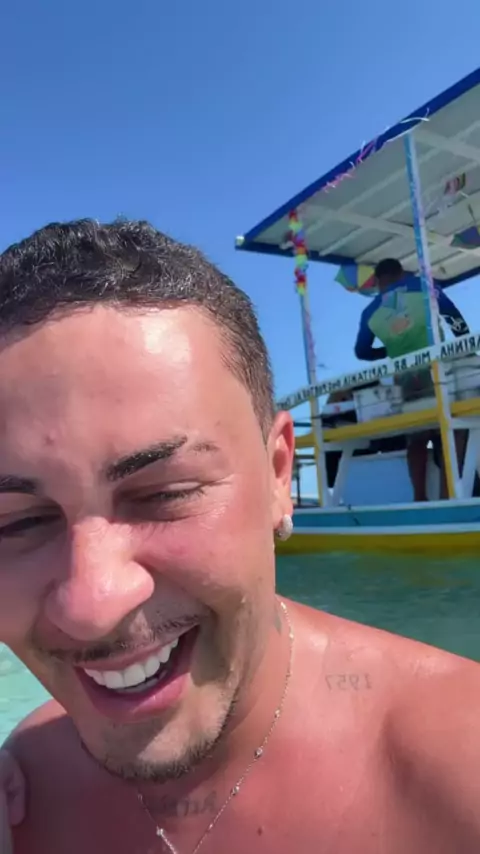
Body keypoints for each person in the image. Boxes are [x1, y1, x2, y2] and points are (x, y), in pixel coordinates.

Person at [2, 222, 480, 853]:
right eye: (19, 522)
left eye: (165, 493)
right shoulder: (22, 789)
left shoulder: (459, 769)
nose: (92, 606)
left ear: (279, 474)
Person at [354, 258, 470, 501]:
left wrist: (387, 351)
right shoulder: (425, 286)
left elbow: (361, 351)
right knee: (453, 431)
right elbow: (454, 319)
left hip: (405, 378)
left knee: (416, 436)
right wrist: (466, 347)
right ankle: (447, 495)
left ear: (377, 281)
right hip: (437, 369)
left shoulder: (370, 311)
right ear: (401, 273)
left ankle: (420, 497)